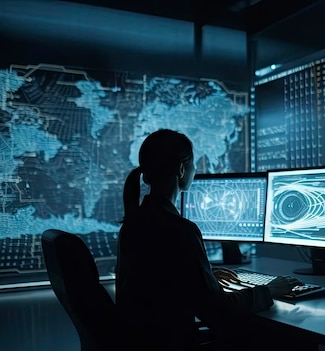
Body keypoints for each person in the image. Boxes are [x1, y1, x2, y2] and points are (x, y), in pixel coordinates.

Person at [115, 129, 303, 351]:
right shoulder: (179, 230)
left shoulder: (134, 222)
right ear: (182, 169)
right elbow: (218, 312)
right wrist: (269, 290)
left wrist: (205, 275)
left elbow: (161, 280)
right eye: (194, 164)